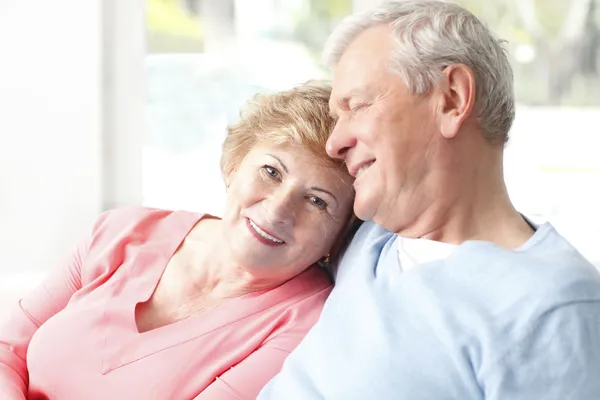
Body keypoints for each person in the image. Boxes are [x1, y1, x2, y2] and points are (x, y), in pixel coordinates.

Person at [259, 1, 600, 399]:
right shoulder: (366, 238)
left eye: (358, 106)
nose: (335, 143)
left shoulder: (551, 307)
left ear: (452, 98)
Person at [0, 81, 357, 399]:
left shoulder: (306, 325)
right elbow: (7, 349)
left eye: (317, 201)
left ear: (338, 235)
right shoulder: (120, 231)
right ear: (234, 166)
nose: (279, 209)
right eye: (271, 171)